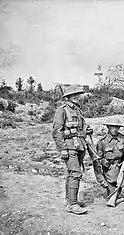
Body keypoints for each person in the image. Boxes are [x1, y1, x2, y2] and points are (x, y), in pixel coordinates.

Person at [52, 84, 93, 215]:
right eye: (74, 95)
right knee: (76, 173)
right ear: (68, 97)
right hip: (69, 148)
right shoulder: (62, 110)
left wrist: (87, 131)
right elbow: (57, 131)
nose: (77, 97)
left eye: (78, 95)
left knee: (72, 173)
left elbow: (79, 128)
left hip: (79, 145)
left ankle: (69, 199)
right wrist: (62, 149)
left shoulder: (77, 110)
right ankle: (73, 205)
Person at [96, 117, 124, 204]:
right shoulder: (101, 142)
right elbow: (97, 162)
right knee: (113, 194)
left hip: (123, 165)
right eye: (112, 127)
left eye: (116, 127)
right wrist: (101, 179)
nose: (114, 129)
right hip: (110, 168)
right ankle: (113, 191)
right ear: (108, 127)